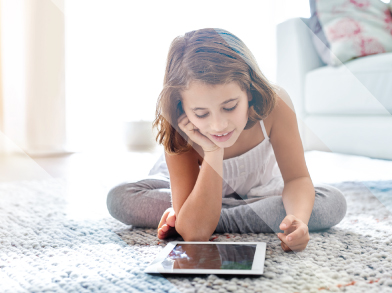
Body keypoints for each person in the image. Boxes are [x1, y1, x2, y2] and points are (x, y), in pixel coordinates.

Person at [107, 28, 347, 252]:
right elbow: (194, 235)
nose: (218, 125)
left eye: (230, 107)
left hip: (259, 191)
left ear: (250, 92)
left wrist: (299, 220)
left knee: (332, 202)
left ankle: (201, 215)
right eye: (201, 114)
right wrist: (213, 152)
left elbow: (297, 178)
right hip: (197, 192)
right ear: (183, 108)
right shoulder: (179, 125)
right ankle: (200, 213)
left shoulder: (275, 103)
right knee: (121, 197)